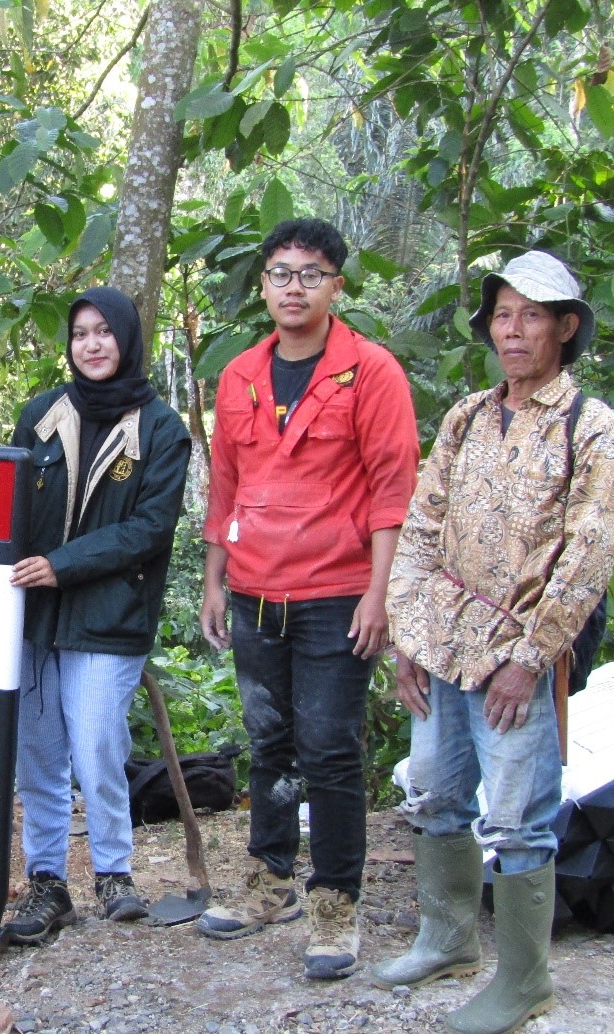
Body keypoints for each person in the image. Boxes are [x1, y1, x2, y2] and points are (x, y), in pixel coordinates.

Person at [373, 252, 614, 1034]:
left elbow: (587, 554)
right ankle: (446, 940)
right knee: (434, 794)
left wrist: (528, 659)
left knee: (517, 817)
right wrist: (405, 635)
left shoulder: (590, 426)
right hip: (441, 644)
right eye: (502, 316)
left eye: (531, 315)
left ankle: (524, 980)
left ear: (564, 328)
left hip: (515, 653)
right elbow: (419, 529)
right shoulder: (466, 417)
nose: (512, 331)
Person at [197, 218, 420, 979]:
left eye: (310, 274)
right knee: (268, 747)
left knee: (327, 750)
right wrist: (213, 580)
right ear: (262, 286)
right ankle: (268, 881)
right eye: (280, 273)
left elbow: (393, 492)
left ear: (336, 286)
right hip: (256, 589)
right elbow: (224, 485)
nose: (294, 287)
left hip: (335, 593)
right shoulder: (238, 376)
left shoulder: (372, 371)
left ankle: (334, 902)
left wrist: (378, 594)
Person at [2, 286, 191, 945]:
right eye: (80, 333)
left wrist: (63, 563)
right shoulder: (41, 414)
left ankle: (114, 872)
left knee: (96, 745)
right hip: (34, 620)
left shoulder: (161, 428)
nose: (91, 344)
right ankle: (45, 881)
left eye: (103, 332)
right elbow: (12, 511)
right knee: (39, 755)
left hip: (110, 617)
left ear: (127, 339)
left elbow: (149, 528)